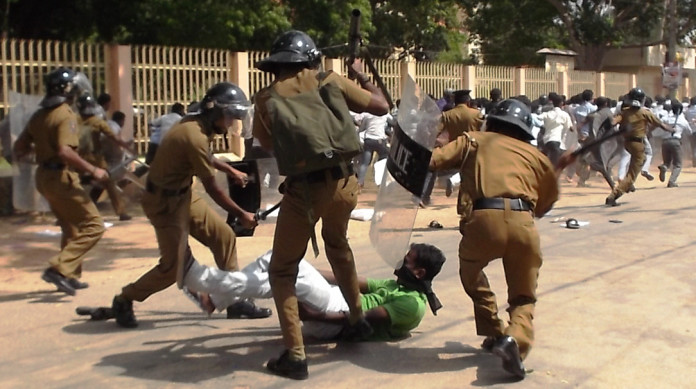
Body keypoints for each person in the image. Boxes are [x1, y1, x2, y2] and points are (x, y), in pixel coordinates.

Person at [252, 30, 389, 379]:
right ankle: (357, 321)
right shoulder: (330, 79)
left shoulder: (265, 98)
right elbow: (381, 106)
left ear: (276, 66)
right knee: (338, 244)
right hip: (344, 183)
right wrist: (360, 76)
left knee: (282, 271)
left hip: (305, 191)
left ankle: (295, 356)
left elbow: (267, 143)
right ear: (310, 59)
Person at [429, 99, 575, 379]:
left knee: (471, 272)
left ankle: (495, 331)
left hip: (484, 220)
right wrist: (556, 169)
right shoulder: (537, 157)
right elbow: (543, 208)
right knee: (523, 297)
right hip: (524, 225)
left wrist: (429, 140)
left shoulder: (474, 139)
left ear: (493, 121)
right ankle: (514, 340)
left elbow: (432, 162)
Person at [110, 82, 271, 329]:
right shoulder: (193, 134)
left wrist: (228, 168)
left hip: (183, 195)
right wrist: (241, 214)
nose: (230, 124)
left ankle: (234, 300)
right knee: (173, 267)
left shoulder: (197, 126)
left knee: (224, 236)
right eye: (229, 117)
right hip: (163, 202)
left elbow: (205, 156)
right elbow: (213, 189)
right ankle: (125, 298)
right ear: (214, 111)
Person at [183, 243, 446, 343]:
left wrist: (315, 315)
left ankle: (204, 281)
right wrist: (300, 261)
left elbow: (356, 319)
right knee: (280, 259)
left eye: (408, 259)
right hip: (334, 302)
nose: (402, 261)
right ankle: (213, 299)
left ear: (420, 272)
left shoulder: (412, 304)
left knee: (286, 277)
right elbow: (348, 280)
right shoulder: (396, 285)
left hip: (333, 320)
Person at [13, 67, 108, 296]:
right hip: (61, 177)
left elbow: (19, 148)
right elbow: (65, 151)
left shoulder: (38, 115)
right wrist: (93, 169)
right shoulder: (65, 114)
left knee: (70, 226)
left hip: (44, 178)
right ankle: (58, 268)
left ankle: (70, 274)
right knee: (94, 225)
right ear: (68, 90)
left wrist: (43, 154)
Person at [605, 88, 673, 206]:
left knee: (642, 159)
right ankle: (614, 195)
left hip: (627, 143)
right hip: (638, 144)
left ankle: (627, 184)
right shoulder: (645, 112)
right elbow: (662, 125)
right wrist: (672, 129)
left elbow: (612, 123)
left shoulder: (624, 112)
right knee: (632, 174)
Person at [75, 94, 133, 221]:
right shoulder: (97, 121)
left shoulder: (73, 120)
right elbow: (113, 137)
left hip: (77, 157)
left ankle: (66, 213)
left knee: (73, 184)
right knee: (109, 184)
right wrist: (127, 147)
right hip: (95, 158)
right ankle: (121, 212)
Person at [422, 89, 483, 204]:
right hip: (473, 150)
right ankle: (457, 183)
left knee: (433, 166)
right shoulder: (475, 114)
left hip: (454, 150)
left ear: (455, 102)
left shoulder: (447, 115)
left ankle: (424, 196)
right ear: (468, 101)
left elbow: (436, 131)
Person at [355, 111, 390, 188]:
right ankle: (380, 181)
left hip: (368, 140)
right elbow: (392, 121)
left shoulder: (367, 114)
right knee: (384, 158)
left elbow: (361, 125)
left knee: (365, 163)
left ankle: (360, 182)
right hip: (380, 141)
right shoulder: (384, 113)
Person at [658, 100, 688, 188]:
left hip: (665, 141)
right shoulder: (683, 120)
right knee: (678, 164)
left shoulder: (667, 118)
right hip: (676, 142)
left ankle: (664, 166)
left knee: (667, 161)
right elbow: (689, 131)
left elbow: (660, 122)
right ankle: (671, 181)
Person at [538, 93, 574, 166]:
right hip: (556, 140)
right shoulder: (564, 115)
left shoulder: (547, 114)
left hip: (546, 140)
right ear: (561, 103)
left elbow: (537, 117)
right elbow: (570, 127)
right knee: (555, 162)